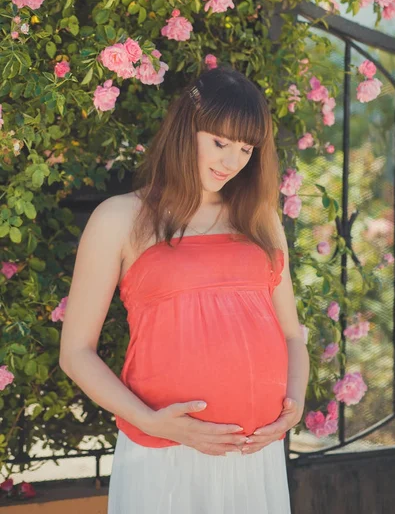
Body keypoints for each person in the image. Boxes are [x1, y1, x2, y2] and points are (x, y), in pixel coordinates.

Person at [59, 65, 309, 513]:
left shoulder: (261, 218)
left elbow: (292, 333)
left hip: (254, 456)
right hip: (164, 455)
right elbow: (76, 351)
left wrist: (294, 403)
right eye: (219, 142)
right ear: (185, 128)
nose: (232, 162)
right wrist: (155, 423)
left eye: (246, 149)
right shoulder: (120, 219)